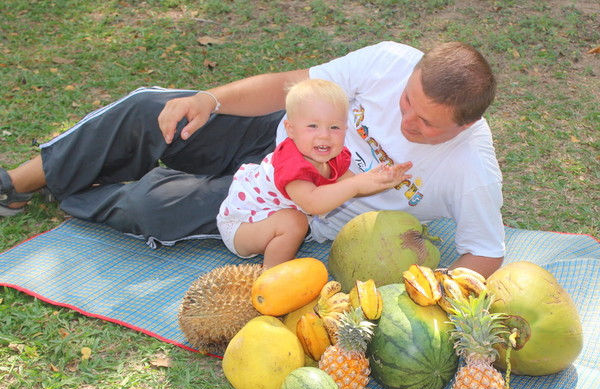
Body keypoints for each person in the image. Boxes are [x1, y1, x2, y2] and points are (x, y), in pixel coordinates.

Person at [0, 41, 504, 277]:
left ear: (464, 125)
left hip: (300, 201)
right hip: (280, 134)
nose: (406, 117)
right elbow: (291, 86)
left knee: (155, 206)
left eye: (425, 123)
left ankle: (82, 193)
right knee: (153, 112)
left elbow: (485, 251)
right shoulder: (391, 62)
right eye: (407, 100)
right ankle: (18, 183)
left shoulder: (472, 169)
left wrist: (429, 294)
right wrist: (210, 101)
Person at [217, 79, 412, 268]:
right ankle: (273, 276)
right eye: (312, 126)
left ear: (345, 129)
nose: (324, 135)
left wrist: (378, 181)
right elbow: (314, 204)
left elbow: (352, 187)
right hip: (242, 226)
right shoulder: (291, 162)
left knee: (294, 221)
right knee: (294, 223)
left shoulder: (335, 156)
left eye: (334, 127)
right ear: (291, 130)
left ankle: (281, 254)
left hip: (267, 222)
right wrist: (356, 184)